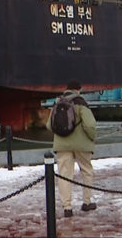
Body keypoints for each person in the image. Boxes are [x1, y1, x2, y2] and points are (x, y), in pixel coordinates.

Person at [50, 80, 97, 217]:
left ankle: (67, 208)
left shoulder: (57, 102)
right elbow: (90, 125)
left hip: (62, 145)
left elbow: (49, 125)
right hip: (82, 145)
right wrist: (92, 137)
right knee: (86, 171)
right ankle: (87, 202)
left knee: (64, 174)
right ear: (78, 90)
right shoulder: (81, 103)